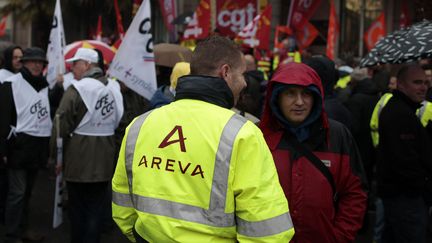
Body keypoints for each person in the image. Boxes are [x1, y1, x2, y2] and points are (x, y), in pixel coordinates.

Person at [112, 35, 294, 242]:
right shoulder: (242, 133)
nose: (245, 82)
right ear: (225, 72)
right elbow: (268, 231)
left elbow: (122, 204)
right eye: (242, 74)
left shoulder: (140, 125)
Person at [259, 62, 368, 243]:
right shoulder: (258, 137)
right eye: (290, 93)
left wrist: (340, 236)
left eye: (306, 94)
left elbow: (354, 192)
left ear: (316, 97)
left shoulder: (337, 135)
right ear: (276, 97)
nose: (299, 102)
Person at [49, 47, 123, 243]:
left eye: (76, 63)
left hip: (78, 159)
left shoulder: (77, 89)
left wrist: (54, 156)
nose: (72, 68)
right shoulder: (114, 88)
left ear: (87, 65)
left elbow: (60, 124)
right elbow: (119, 120)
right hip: (105, 158)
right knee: (96, 208)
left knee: (78, 209)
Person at [0, 47, 51, 243]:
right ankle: (12, 233)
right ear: (24, 63)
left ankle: (24, 229)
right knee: (18, 192)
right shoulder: (10, 84)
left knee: (28, 192)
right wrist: (3, 149)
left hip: (37, 147)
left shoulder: (44, 85)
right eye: (33, 62)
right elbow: (3, 119)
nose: (37, 65)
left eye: (41, 62)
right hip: (18, 147)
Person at [377, 63, 432, 243]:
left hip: (403, 196)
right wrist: (423, 186)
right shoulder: (400, 114)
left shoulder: (404, 110)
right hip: (406, 197)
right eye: (417, 82)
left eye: (425, 82)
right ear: (401, 84)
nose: (423, 87)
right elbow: (404, 160)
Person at [0, 45, 23, 225]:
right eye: (15, 57)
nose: (18, 61)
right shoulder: (2, 77)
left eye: (21, 57)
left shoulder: (22, 79)